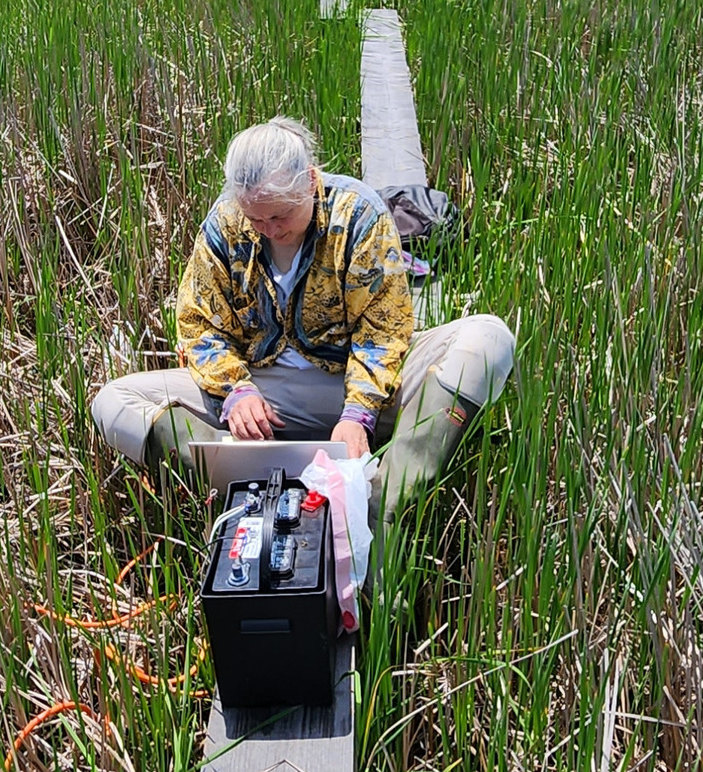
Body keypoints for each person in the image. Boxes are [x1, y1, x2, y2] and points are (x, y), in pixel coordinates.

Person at [91, 117, 515, 512]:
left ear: (311, 181)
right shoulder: (224, 226)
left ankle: (383, 501)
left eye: (281, 215)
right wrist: (236, 392)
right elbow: (199, 323)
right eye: (256, 218)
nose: (270, 229)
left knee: (488, 338)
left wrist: (358, 415)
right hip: (271, 392)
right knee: (113, 403)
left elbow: (384, 329)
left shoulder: (359, 215)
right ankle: (248, 480)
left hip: (365, 386)